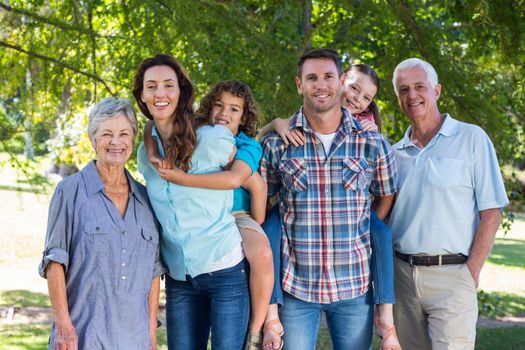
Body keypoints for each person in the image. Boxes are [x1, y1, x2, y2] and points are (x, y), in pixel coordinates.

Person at [260, 48, 398, 350]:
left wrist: (361, 229)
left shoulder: (372, 142)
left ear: (339, 81)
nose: (320, 85)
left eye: (327, 77)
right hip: (296, 288)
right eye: (312, 78)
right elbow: (265, 201)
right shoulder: (278, 143)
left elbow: (386, 195)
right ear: (299, 84)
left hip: (354, 287)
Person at [388, 58, 509, 350]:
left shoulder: (472, 138)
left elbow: (491, 213)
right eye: (404, 90)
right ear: (397, 98)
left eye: (420, 87)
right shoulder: (392, 154)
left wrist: (471, 273)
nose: (412, 95)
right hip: (401, 278)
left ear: (437, 91)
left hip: (453, 277)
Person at [143, 80, 273, 350]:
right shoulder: (195, 131)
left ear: (244, 116)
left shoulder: (246, 145)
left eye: (234, 109)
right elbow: (150, 125)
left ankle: (257, 329)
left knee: (261, 253)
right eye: (219, 105)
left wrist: (180, 177)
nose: (224, 113)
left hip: (238, 215)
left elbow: (238, 180)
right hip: (191, 255)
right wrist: (154, 151)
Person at [39, 97, 166, 350]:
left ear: (133, 139)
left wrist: (151, 335)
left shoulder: (146, 198)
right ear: (92, 139)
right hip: (83, 338)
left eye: (123, 134)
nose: (116, 142)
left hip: (135, 340)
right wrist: (64, 327)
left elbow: (153, 274)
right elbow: (54, 262)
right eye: (106, 133)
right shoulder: (70, 191)